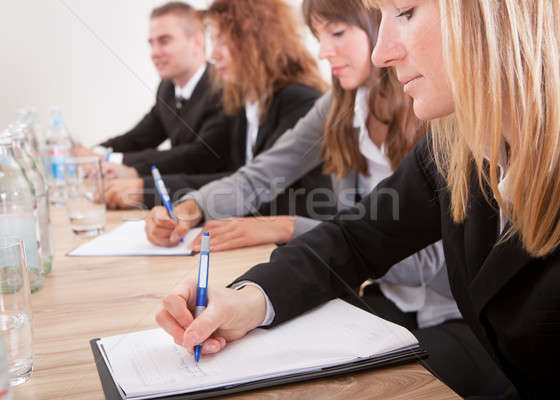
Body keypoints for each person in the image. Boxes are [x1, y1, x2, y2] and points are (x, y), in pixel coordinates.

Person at [154, 0, 560, 398]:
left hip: (454, 326)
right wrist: (249, 300)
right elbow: (356, 236)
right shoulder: (452, 146)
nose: (382, 53)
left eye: (405, 11)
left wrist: (285, 225)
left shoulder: (429, 118)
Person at [106, 0, 332, 215]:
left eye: (223, 42)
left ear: (257, 44)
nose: (213, 54)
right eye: (214, 42)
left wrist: (146, 190)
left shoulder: (299, 101)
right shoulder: (246, 103)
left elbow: (262, 190)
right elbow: (233, 178)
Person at [74, 2, 230, 207]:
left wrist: (120, 162)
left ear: (198, 42)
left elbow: (200, 155)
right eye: (151, 43)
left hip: (214, 200)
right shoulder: (167, 88)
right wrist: (96, 152)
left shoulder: (224, 88)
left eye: (164, 41)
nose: (154, 52)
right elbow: (139, 137)